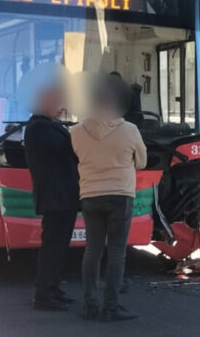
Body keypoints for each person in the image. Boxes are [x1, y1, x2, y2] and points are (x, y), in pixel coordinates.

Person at [70, 74, 146, 322]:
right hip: (121, 195)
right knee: (116, 252)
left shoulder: (76, 132)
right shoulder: (130, 130)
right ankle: (111, 307)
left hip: (90, 195)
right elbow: (142, 162)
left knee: (92, 251)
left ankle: (90, 304)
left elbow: (75, 158)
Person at [23, 64, 80, 311]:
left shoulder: (50, 126)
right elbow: (68, 151)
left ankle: (54, 288)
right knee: (52, 247)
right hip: (55, 196)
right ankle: (44, 294)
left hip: (63, 196)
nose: (61, 107)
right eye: (57, 102)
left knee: (59, 247)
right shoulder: (39, 128)